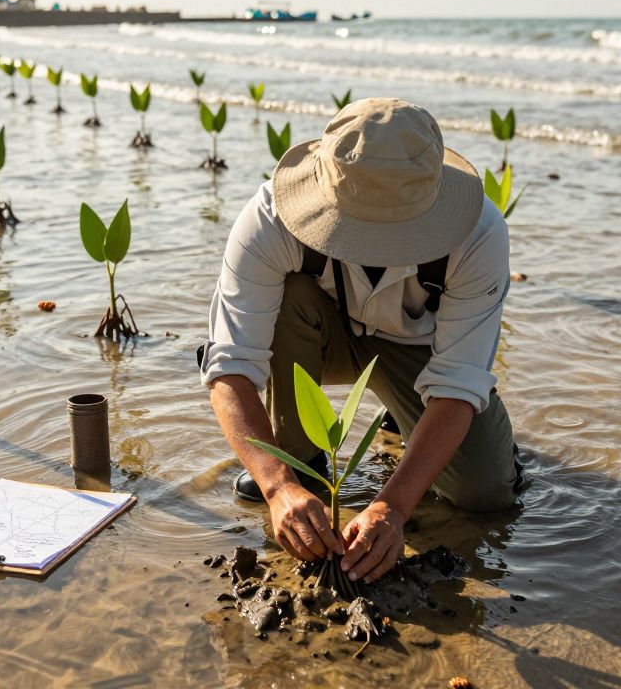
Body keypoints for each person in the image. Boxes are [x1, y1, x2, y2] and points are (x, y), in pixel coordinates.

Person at [200, 98, 524, 584]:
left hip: (419, 356)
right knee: (291, 298)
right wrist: (278, 485)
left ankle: (407, 412)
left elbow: (458, 384)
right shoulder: (269, 217)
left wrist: (391, 508)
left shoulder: (479, 232)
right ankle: (302, 460)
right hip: (317, 335)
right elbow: (230, 366)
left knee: (485, 495)